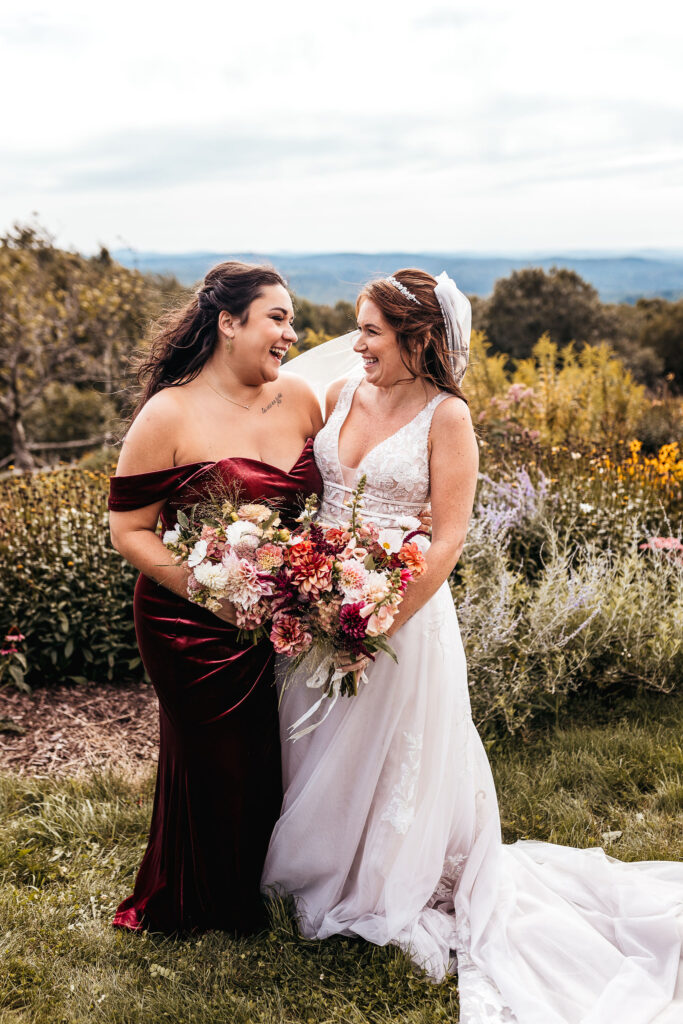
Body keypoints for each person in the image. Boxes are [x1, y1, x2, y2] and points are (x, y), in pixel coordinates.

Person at [263, 269, 683, 1023]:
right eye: (357, 328)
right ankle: (315, 862)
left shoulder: (445, 416)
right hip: (322, 597)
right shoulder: (338, 396)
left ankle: (385, 878)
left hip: (400, 609)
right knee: (317, 739)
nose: (354, 345)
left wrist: (377, 620)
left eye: (370, 332)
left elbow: (449, 537)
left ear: (415, 337)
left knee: (389, 749)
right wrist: (312, 588)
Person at [108, 261, 322, 935]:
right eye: (277, 318)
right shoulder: (168, 412)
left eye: (291, 319)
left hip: (283, 617)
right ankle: (206, 901)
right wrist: (212, 593)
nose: (291, 332)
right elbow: (129, 530)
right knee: (217, 764)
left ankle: (276, 885)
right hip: (186, 622)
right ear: (229, 324)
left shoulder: (304, 401)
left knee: (278, 755)